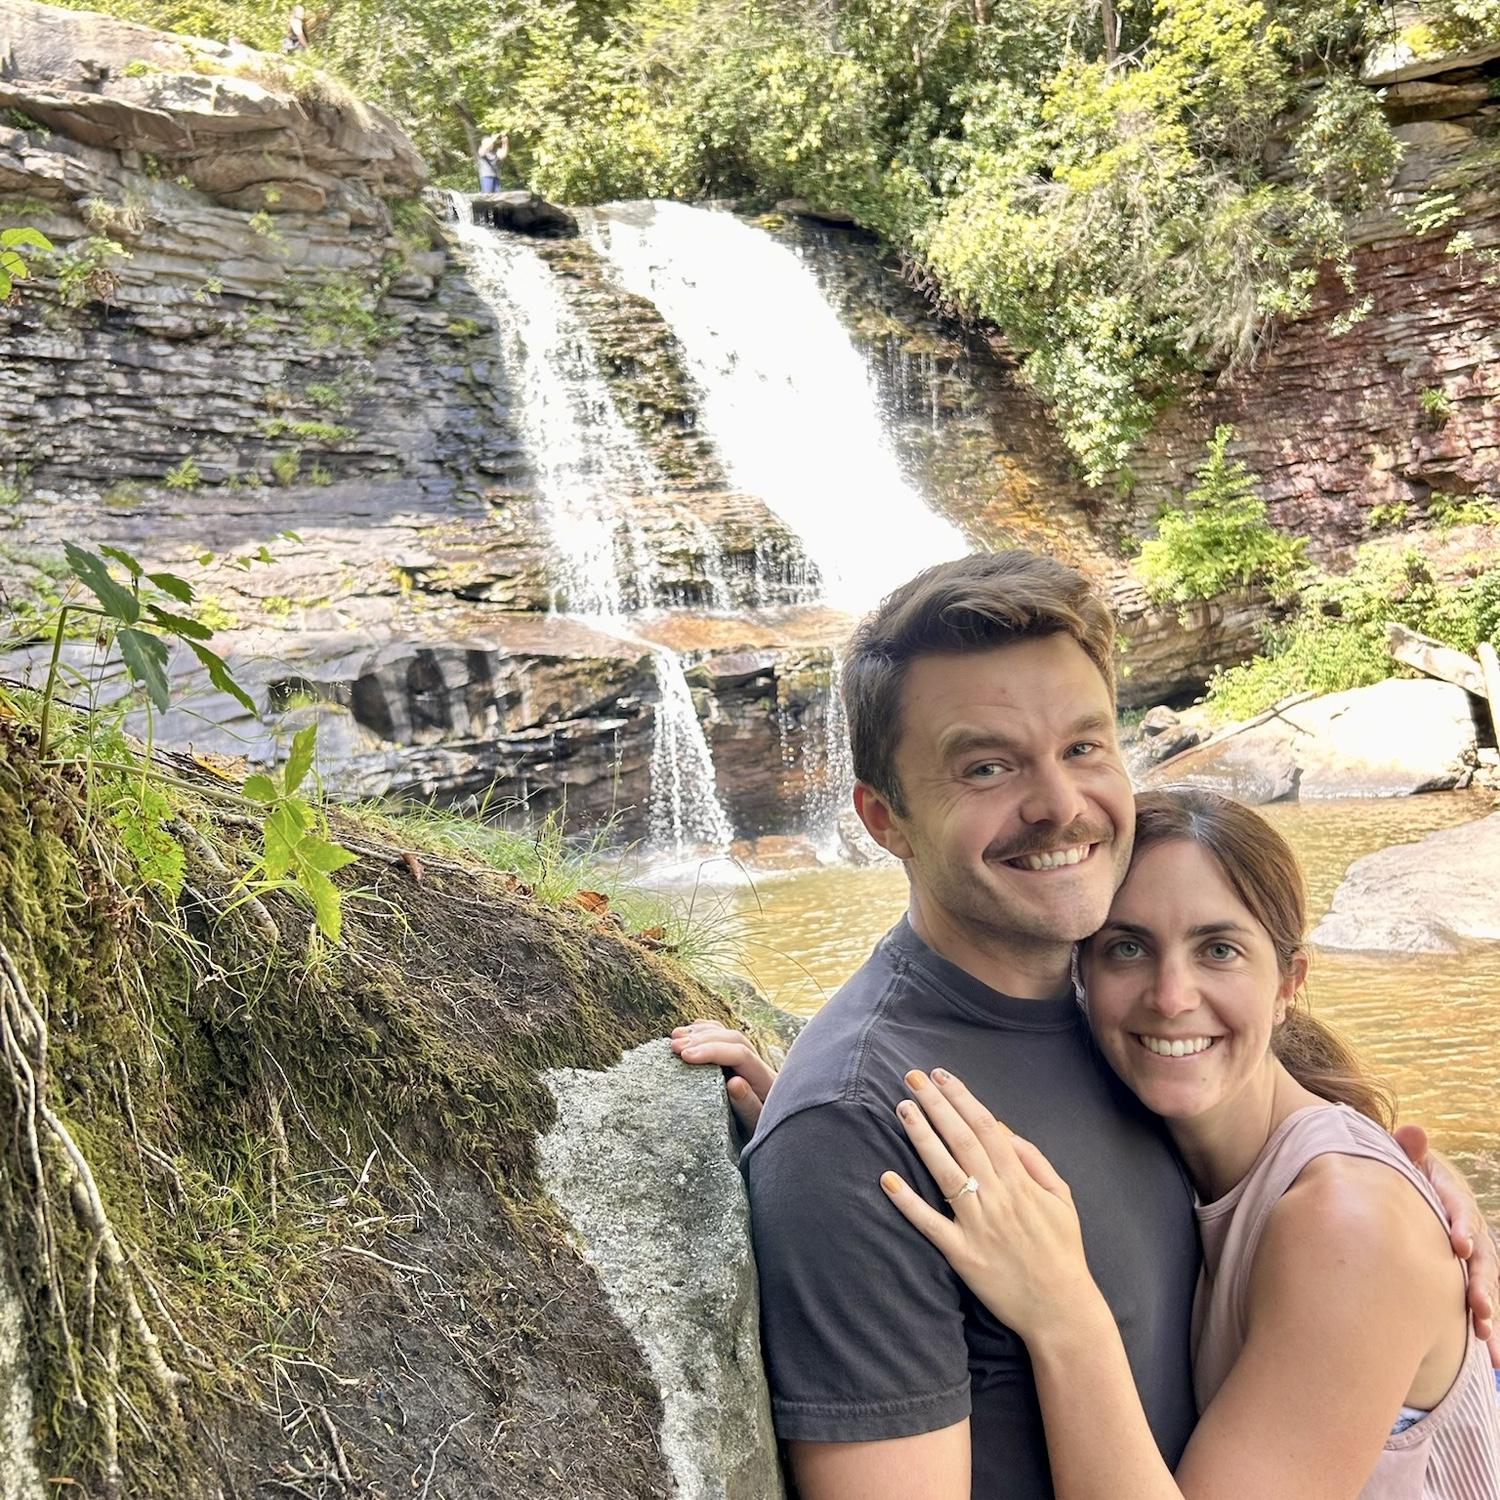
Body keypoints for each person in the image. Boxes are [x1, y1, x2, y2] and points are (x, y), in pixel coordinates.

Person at [670, 551, 1498, 1500]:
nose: (1059, 806)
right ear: (884, 819)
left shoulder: (1110, 1018)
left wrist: (1404, 1200)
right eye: (986, 766)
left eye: (1083, 747)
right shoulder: (860, 1130)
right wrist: (820, 1124)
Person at [882, 787, 1500, 1497]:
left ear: (1287, 983)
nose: (1171, 996)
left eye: (1218, 950)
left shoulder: (1347, 1223)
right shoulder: (1155, 1126)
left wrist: (1062, 1315)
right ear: (1081, 978)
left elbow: (1368, 1227)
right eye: (1127, 948)